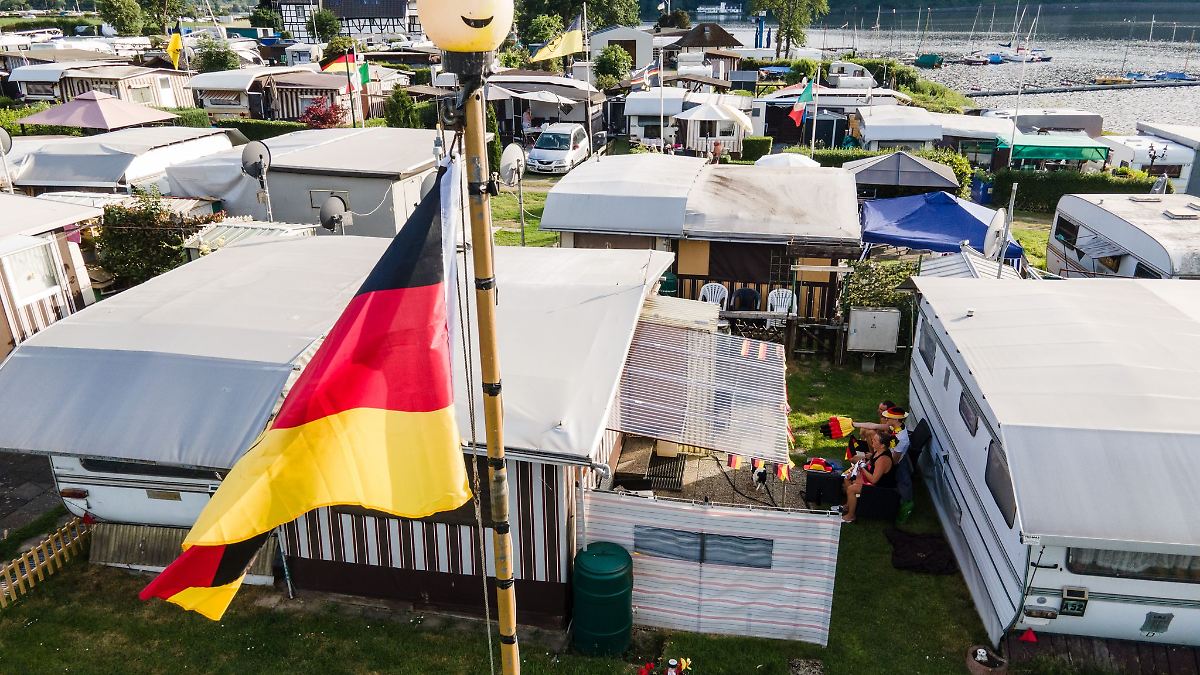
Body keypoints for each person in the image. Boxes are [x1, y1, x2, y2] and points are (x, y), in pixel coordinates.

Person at [854, 406, 914, 521]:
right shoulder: (895, 426)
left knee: (857, 463)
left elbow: (893, 461)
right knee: (867, 438)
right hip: (883, 455)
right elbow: (873, 426)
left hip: (888, 466)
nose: (885, 419)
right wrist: (854, 424)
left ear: (896, 419)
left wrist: (875, 458)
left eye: (888, 417)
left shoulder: (902, 439)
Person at [834, 431, 894, 524]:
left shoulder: (883, 459)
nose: (872, 440)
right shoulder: (878, 451)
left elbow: (874, 480)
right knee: (847, 478)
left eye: (875, 440)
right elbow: (869, 462)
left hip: (880, 487)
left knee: (852, 489)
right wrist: (855, 471)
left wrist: (862, 469)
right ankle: (848, 506)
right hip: (873, 480)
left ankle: (851, 516)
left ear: (882, 445)